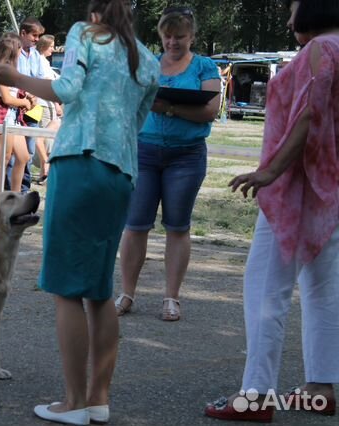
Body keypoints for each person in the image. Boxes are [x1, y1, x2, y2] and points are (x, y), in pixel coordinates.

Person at [0, 0, 159, 424]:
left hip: (79, 164)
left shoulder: (86, 34)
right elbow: (135, 124)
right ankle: (98, 399)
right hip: (121, 173)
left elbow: (67, 90)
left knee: (66, 288)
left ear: (93, 8)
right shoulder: (149, 59)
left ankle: (73, 402)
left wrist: (13, 77)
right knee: (99, 291)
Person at [205, 0, 339, 421]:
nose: (288, 17)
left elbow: (311, 114)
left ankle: (257, 395)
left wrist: (271, 170)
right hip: (331, 189)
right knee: (322, 290)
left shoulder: (321, 50)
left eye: (295, 8)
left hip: (297, 188)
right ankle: (320, 387)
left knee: (265, 290)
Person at [115, 5, 221, 321]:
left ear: (192, 37)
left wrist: (166, 108)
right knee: (135, 225)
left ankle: (171, 298)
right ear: (161, 35)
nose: (173, 43)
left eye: (180, 37)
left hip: (186, 156)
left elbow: (209, 111)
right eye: (168, 36)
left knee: (177, 226)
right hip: (144, 153)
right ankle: (126, 293)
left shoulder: (205, 67)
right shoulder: (149, 63)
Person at [0, 33, 33, 193]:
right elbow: (6, 98)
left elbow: (14, 94)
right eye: (19, 48)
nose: (20, 52)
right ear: (12, 50)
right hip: (3, 114)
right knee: (4, 157)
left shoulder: (10, 70)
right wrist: (24, 102)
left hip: (13, 115)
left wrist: (28, 96)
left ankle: (15, 195)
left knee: (23, 156)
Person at [4, 17, 45, 193]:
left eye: (38, 36)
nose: (36, 39)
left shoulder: (36, 55)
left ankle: (23, 191)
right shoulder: (12, 53)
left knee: (27, 153)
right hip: (13, 110)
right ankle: (8, 191)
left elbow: (39, 79)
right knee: (11, 157)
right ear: (23, 33)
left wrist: (33, 96)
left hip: (31, 111)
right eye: (34, 35)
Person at [34, 34, 63, 183]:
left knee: (49, 139)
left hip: (49, 104)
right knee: (44, 137)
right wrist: (57, 104)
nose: (53, 49)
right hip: (44, 104)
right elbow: (47, 84)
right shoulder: (40, 61)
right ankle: (45, 166)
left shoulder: (44, 61)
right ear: (44, 46)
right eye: (51, 46)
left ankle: (43, 173)